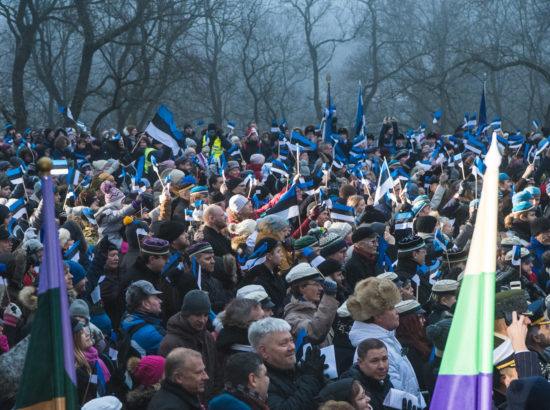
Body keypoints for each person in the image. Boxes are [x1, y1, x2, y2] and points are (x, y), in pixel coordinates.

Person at [347, 277, 425, 408]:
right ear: (378, 315)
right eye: (392, 307)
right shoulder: (372, 348)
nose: (397, 311)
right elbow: (393, 397)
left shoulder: (388, 338)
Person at [248, 317, 326, 410]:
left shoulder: (295, 369)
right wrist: (310, 379)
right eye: (283, 344)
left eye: (291, 340)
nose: (292, 347)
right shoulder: (261, 381)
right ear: (264, 351)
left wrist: (319, 377)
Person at [158, 290, 219, 400]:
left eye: (206, 315)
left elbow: (215, 371)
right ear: (186, 314)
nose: (202, 320)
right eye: (197, 315)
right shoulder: (170, 344)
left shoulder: (208, 337)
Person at [284, 263, 339, 347]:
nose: (321, 288)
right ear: (302, 288)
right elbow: (315, 333)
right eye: (316, 284)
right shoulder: (292, 318)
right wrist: (328, 297)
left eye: (321, 284)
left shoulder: (317, 309)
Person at [340, 338, 392, 410]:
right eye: (375, 361)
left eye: (384, 359)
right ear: (360, 362)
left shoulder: (385, 380)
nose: (382, 366)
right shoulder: (351, 387)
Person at [121, 280, 166, 357]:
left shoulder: (127, 319)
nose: (160, 301)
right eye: (155, 298)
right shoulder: (151, 333)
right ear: (146, 304)